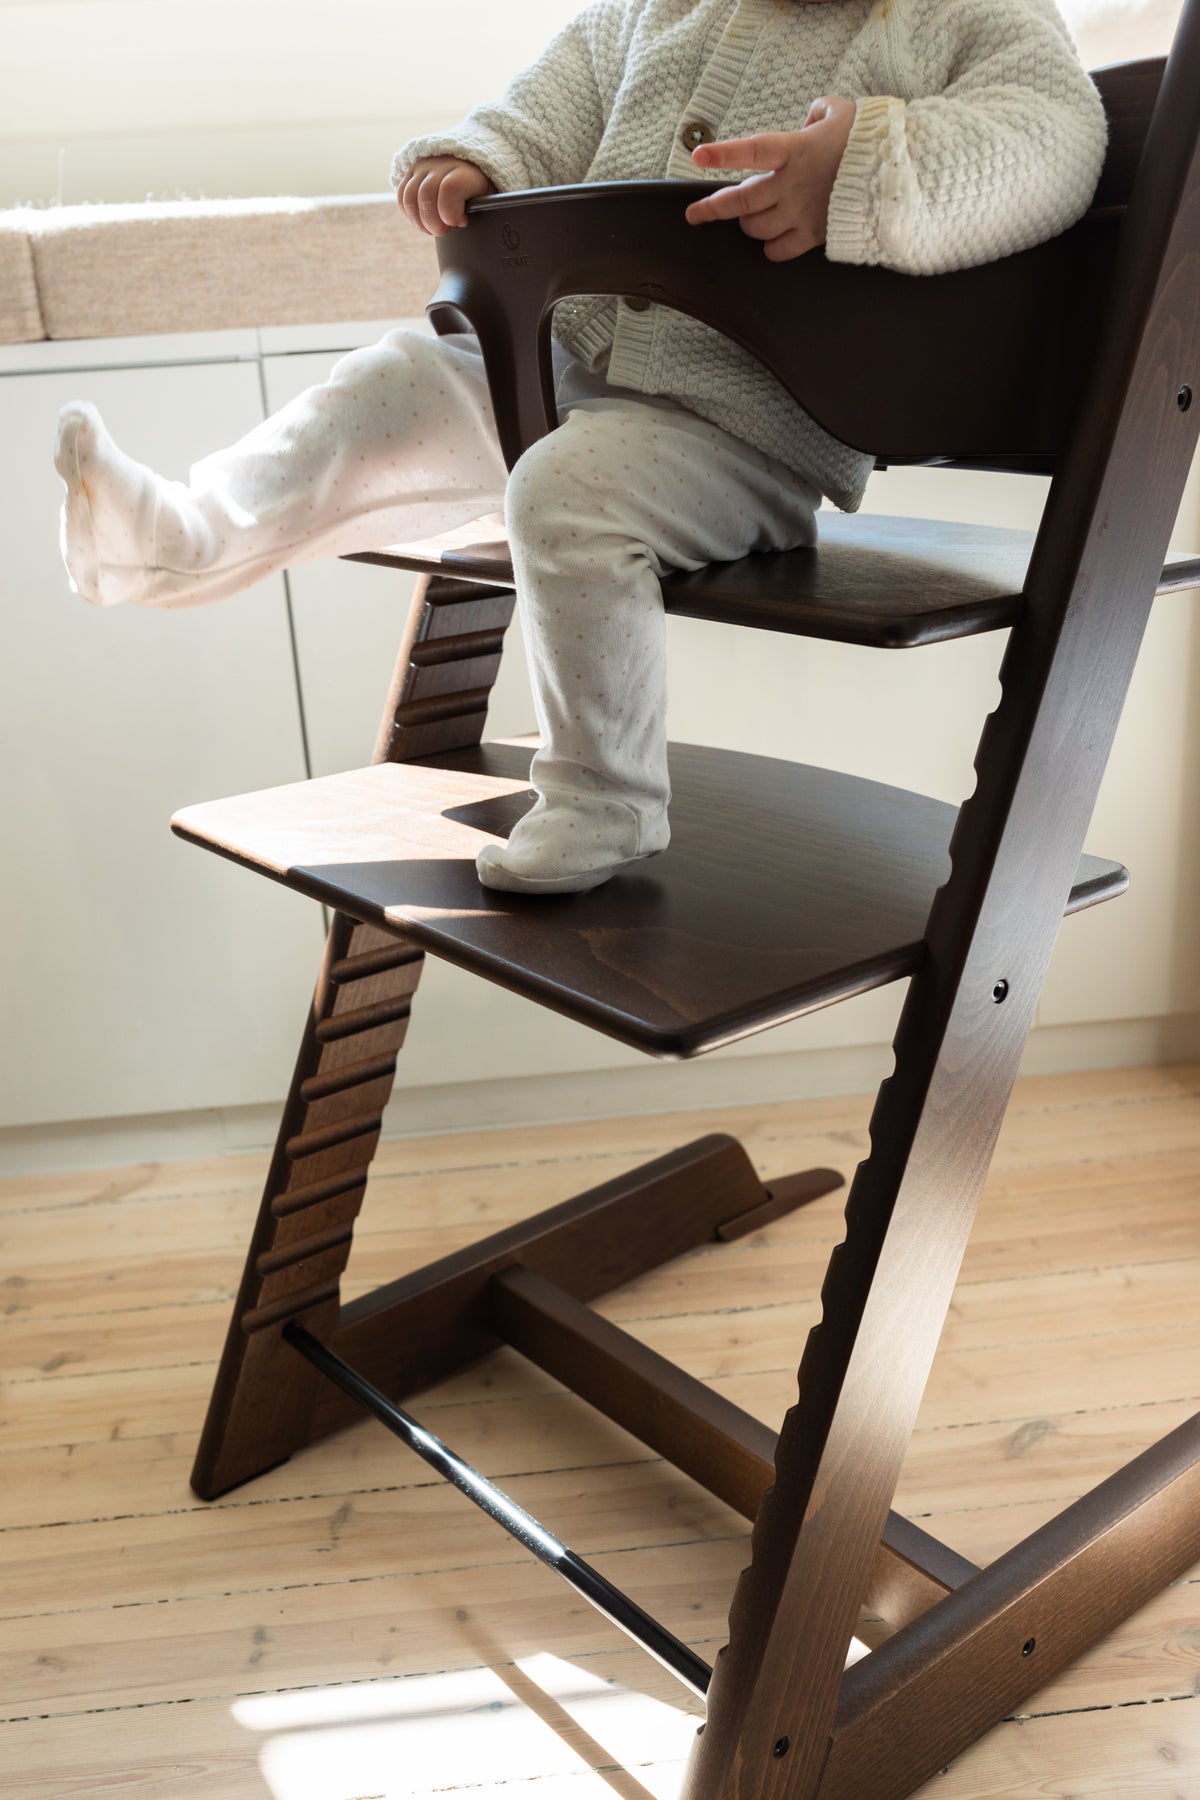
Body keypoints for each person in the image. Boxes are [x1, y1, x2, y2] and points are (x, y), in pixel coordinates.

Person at [55, 0, 1107, 894]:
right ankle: (190, 533)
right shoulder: (659, 9)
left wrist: (867, 166)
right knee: (396, 378)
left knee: (567, 492)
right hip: (559, 361)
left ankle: (607, 798)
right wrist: (481, 158)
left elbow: (1054, 135)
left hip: (750, 430)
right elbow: (551, 103)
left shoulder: (955, 13)